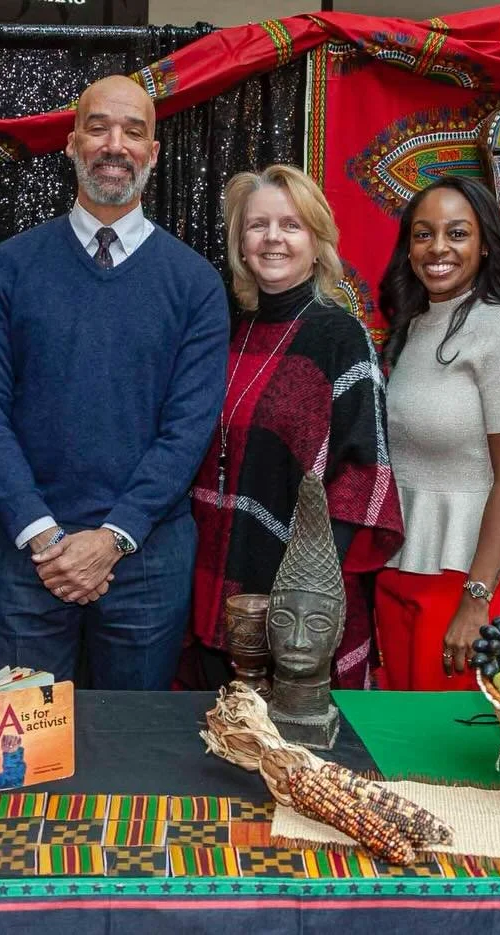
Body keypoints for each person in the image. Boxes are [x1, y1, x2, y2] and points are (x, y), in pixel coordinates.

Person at [0, 75, 229, 690]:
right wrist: (45, 537)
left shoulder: (194, 284)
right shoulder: (8, 268)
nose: (115, 144)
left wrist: (113, 537)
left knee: (132, 751)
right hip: (29, 557)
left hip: (145, 558)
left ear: (154, 153)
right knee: (21, 759)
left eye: (134, 132)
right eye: (99, 127)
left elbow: (188, 429)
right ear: (72, 143)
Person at [189, 165, 403, 690]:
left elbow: (365, 471)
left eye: (291, 225)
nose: (273, 239)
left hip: (300, 581)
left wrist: (311, 582)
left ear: (317, 240)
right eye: (258, 225)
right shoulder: (228, 332)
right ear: (241, 243)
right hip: (216, 568)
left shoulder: (339, 336)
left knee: (295, 743)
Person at [375, 175, 500, 691]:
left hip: (470, 577)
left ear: (485, 246)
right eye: (423, 234)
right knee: (401, 734)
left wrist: (476, 598)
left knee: (444, 747)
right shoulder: (413, 326)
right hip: (405, 561)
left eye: (457, 233)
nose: (438, 248)